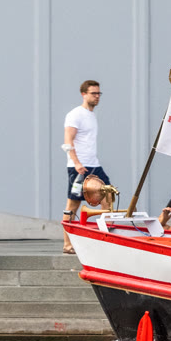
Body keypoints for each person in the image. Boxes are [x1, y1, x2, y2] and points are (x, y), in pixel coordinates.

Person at [62, 80, 109, 253]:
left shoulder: (91, 115)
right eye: (93, 93)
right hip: (79, 167)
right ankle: (67, 244)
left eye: (98, 93)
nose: (97, 97)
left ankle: (104, 239)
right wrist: (76, 163)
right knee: (73, 205)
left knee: (108, 197)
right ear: (84, 94)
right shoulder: (75, 114)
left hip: (94, 165)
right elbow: (68, 141)